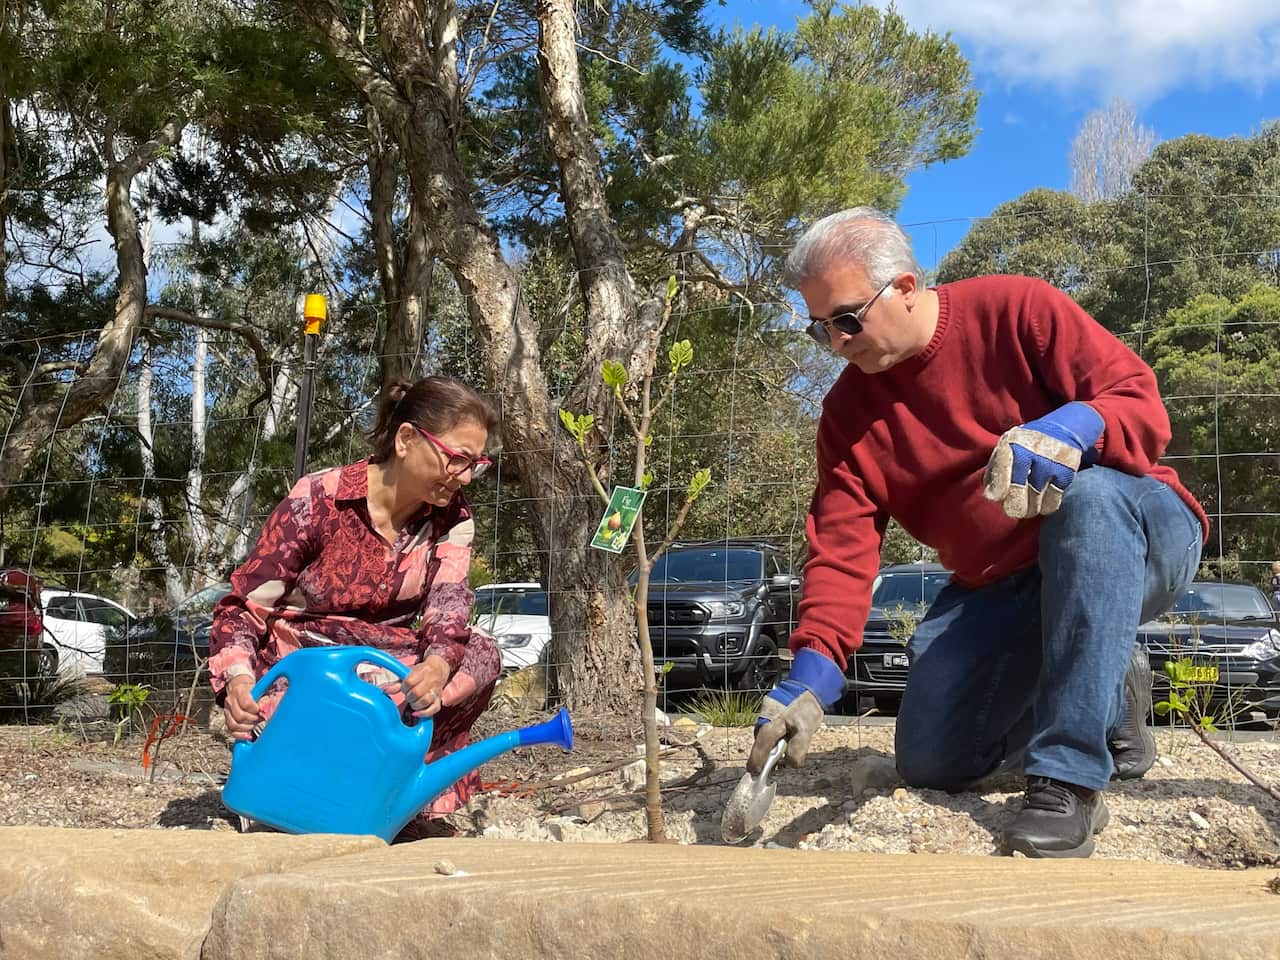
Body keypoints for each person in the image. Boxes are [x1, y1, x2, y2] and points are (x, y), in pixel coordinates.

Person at [747, 208, 1208, 858]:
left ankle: (1067, 781)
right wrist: (810, 676)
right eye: (820, 330)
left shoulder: (1016, 309)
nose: (838, 344)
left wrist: (1079, 426)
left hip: (1138, 531)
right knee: (932, 758)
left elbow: (1140, 403)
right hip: (1003, 582)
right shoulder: (848, 418)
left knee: (1089, 500)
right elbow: (842, 551)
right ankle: (1104, 697)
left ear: (905, 287)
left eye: (848, 319)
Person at [209, 375, 503, 836]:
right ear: (406, 439)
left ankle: (390, 790)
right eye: (457, 459)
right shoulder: (318, 498)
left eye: (476, 464)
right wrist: (239, 681)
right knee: (357, 687)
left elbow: (450, 605)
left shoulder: (454, 518)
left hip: (388, 663)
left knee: (482, 655)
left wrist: (440, 664)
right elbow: (244, 608)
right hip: (306, 663)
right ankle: (292, 774)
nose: (464, 477)